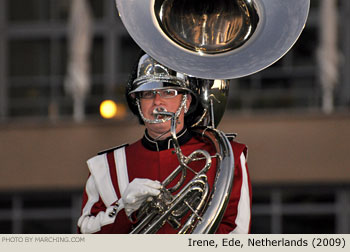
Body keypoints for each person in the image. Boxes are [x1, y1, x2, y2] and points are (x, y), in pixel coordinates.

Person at [77, 53, 252, 234]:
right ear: (138, 103)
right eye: (148, 94)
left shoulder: (225, 155)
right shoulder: (105, 165)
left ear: (187, 101)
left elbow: (236, 235)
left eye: (169, 92)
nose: (157, 102)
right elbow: (85, 237)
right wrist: (123, 207)